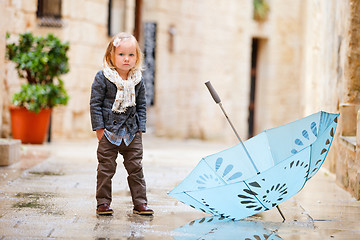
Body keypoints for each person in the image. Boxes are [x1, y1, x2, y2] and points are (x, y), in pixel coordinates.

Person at [90, 32, 153, 216]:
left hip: (132, 132)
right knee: (105, 169)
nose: (126, 59)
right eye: (121, 54)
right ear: (111, 55)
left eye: (131, 55)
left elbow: (141, 105)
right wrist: (99, 129)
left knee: (136, 168)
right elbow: (95, 104)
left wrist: (140, 128)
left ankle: (140, 203)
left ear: (137, 57)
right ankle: (103, 203)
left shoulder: (138, 80)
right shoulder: (103, 77)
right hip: (109, 131)